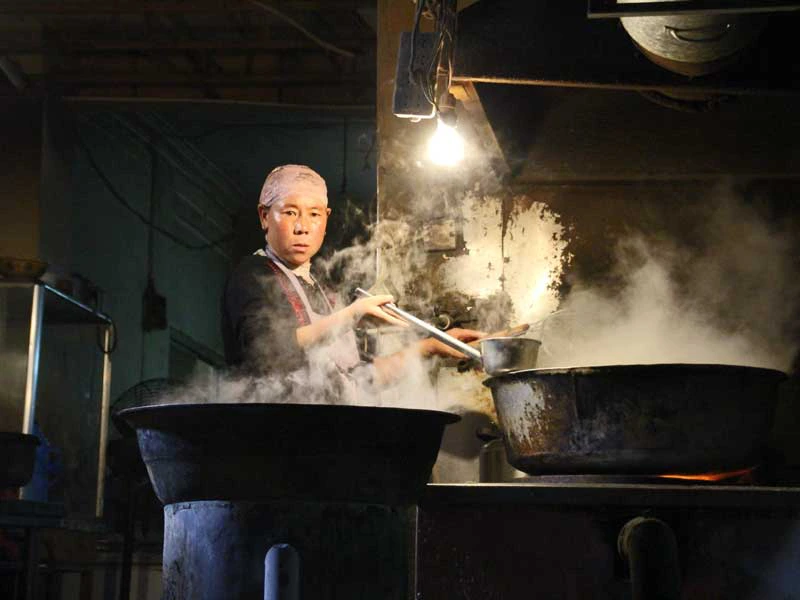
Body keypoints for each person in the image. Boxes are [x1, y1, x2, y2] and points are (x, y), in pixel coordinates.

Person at [222, 164, 482, 398]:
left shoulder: (324, 291)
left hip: (333, 433)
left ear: (326, 218)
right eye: (290, 212)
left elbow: (361, 378)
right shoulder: (253, 274)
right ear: (264, 216)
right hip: (274, 437)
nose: (302, 227)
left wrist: (433, 346)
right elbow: (267, 353)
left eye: (314, 214)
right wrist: (351, 315)